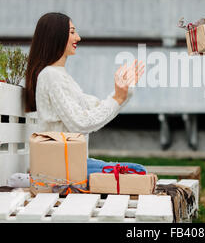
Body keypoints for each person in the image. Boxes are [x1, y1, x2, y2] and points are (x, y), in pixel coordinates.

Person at [24, 12, 146, 181]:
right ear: (56, 36)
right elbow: (80, 123)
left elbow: (94, 109)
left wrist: (123, 93)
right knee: (137, 171)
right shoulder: (50, 76)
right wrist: (117, 98)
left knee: (136, 171)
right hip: (59, 168)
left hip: (69, 163)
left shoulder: (59, 76)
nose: (78, 38)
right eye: (72, 32)